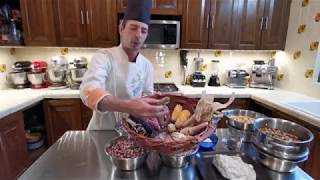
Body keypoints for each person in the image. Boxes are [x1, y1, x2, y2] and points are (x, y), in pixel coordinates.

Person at [80, 0, 168, 130]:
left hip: (134, 135)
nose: (138, 35)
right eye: (133, 28)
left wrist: (154, 104)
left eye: (144, 31)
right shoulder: (104, 57)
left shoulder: (146, 65)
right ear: (121, 28)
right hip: (102, 132)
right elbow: (88, 92)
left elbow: (146, 97)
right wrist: (131, 106)